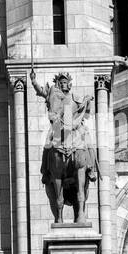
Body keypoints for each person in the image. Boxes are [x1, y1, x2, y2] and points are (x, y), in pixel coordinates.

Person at [29, 72, 96, 223]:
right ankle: (46, 170)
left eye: (65, 82)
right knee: (48, 144)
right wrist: (33, 81)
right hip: (58, 127)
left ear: (69, 84)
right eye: (61, 82)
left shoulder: (74, 97)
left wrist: (88, 101)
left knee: (88, 139)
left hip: (74, 127)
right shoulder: (53, 93)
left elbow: (86, 109)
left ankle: (91, 168)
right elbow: (40, 91)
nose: (63, 84)